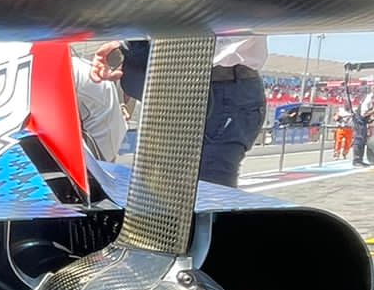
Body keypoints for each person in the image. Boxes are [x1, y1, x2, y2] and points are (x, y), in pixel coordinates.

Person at [89, 33, 267, 187]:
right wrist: (128, 46)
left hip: (215, 86)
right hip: (173, 86)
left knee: (208, 196)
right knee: (158, 195)